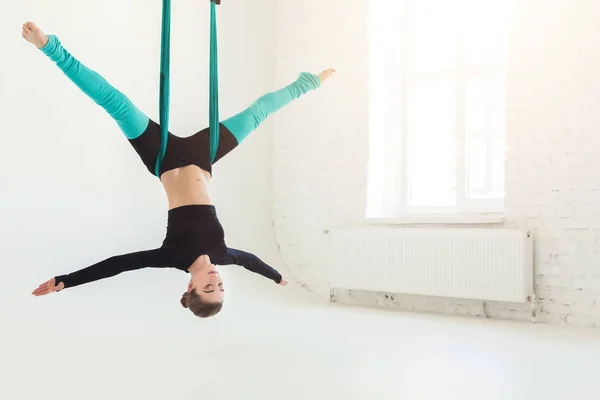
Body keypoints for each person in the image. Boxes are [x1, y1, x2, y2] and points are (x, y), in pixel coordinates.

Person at [23, 21, 334, 318]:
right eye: (221, 286)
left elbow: (118, 264)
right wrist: (276, 276)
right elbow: (250, 261)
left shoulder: (172, 257)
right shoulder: (222, 253)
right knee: (258, 113)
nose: (216, 279)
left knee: (113, 101)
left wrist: (68, 280)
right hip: (203, 157)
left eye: (208, 287)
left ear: (191, 286)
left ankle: (50, 47)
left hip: (163, 158)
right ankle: (307, 82)